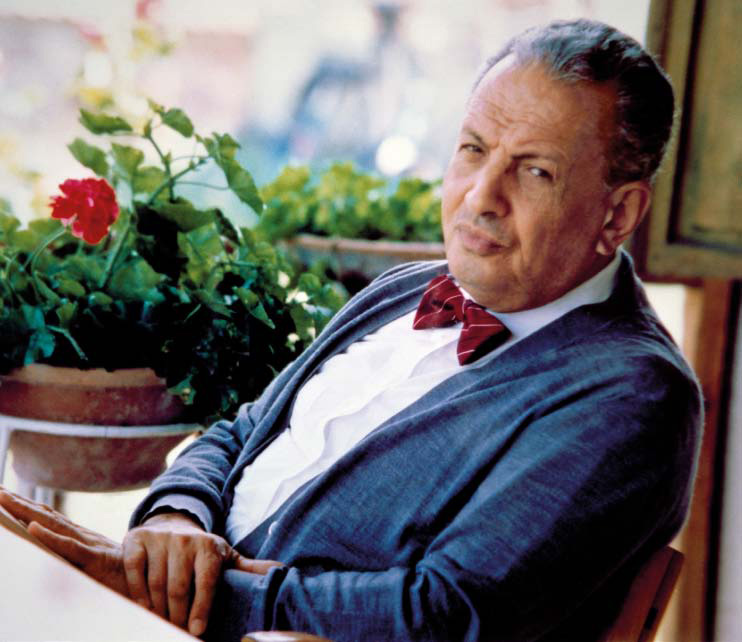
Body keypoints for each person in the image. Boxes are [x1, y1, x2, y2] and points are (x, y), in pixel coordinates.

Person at [0, 18, 702, 641]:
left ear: (618, 214)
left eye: (536, 172)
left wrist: (173, 591)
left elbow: (445, 614)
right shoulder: (406, 287)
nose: (481, 196)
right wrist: (174, 521)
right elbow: (242, 431)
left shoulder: (630, 395)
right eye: (473, 149)